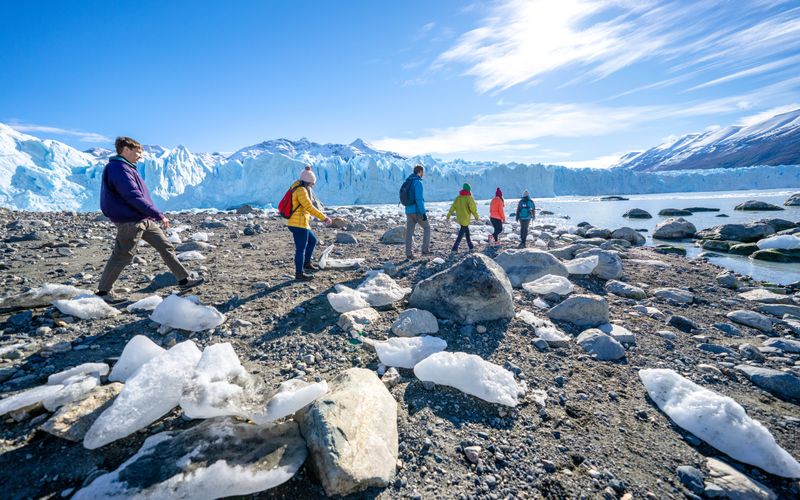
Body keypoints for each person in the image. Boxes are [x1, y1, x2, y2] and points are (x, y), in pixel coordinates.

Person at [97, 136, 203, 303]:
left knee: (165, 246)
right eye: (138, 151)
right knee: (123, 255)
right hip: (130, 221)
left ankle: (184, 280)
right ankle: (103, 292)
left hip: (142, 217)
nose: (140, 155)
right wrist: (157, 214)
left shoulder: (127, 167)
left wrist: (151, 214)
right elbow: (132, 196)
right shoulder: (118, 168)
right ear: (126, 150)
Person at [287, 166, 332, 281]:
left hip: (301, 222)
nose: (312, 186)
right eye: (312, 183)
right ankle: (299, 273)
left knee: (312, 240)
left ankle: (306, 263)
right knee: (300, 249)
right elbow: (308, 206)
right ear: (308, 182)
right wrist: (324, 217)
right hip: (298, 224)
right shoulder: (301, 190)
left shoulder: (300, 188)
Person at [403, 164, 430, 259]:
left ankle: (408, 254)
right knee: (427, 228)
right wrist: (423, 213)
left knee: (409, 232)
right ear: (420, 172)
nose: (423, 174)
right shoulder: (417, 182)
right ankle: (425, 250)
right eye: (423, 172)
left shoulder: (408, 181)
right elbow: (419, 199)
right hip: (416, 211)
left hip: (408, 210)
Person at [447, 183, 480, 252]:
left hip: (459, 218)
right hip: (465, 218)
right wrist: (476, 216)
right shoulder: (469, 198)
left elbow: (453, 207)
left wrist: (449, 215)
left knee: (466, 230)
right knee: (462, 231)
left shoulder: (458, 197)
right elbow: (473, 209)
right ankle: (455, 247)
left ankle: (470, 245)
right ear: (469, 190)